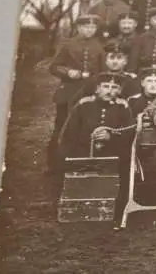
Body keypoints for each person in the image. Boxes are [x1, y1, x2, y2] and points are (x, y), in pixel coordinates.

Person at [57, 72, 134, 230]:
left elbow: (129, 132)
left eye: (114, 87)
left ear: (119, 91)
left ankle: (113, 211)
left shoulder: (123, 106)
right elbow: (69, 133)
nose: (109, 91)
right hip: (83, 153)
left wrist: (111, 136)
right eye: (105, 86)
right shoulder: (84, 105)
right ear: (97, 89)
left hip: (113, 155)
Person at [47, 14, 105, 174]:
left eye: (93, 27)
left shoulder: (100, 46)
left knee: (86, 128)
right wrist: (68, 71)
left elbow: (102, 71)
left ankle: (81, 163)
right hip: (68, 92)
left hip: (90, 91)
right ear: (79, 28)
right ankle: (55, 164)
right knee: (62, 127)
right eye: (86, 27)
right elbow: (54, 67)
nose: (89, 30)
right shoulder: (68, 45)